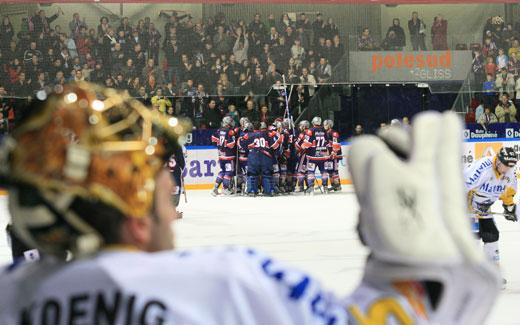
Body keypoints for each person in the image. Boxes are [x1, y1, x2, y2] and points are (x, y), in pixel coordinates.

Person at [0, 86, 501, 323]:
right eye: (161, 193)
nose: (172, 209)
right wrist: (419, 272)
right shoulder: (225, 284)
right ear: (132, 217)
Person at [464, 147, 519, 286]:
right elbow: (463, 186)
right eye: (506, 165)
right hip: (467, 206)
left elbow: (508, 192)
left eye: (511, 166)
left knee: (492, 235)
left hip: (484, 208)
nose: (508, 169)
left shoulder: (510, 173)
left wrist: (509, 206)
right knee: (473, 238)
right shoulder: (483, 168)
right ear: (498, 161)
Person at [243, 121, 279, 196]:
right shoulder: (268, 134)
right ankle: (270, 190)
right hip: (266, 157)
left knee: (252, 175)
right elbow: (275, 146)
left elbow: (243, 147)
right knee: (267, 174)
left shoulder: (248, 135)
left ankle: (252, 191)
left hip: (253, 157)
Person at [301, 116, 330, 195]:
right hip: (323, 156)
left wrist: (302, 147)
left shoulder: (310, 130)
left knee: (311, 172)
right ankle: (325, 188)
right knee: (324, 172)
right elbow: (328, 143)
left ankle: (311, 188)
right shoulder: (324, 130)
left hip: (312, 156)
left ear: (313, 122)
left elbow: (307, 143)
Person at [210, 116, 236, 195]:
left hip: (221, 155)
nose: (232, 123)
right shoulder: (230, 131)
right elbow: (231, 144)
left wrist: (220, 146)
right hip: (229, 156)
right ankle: (225, 188)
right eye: (231, 121)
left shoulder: (218, 130)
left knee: (222, 171)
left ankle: (215, 188)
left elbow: (213, 139)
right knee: (228, 172)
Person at [323, 119, 342, 192]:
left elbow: (336, 145)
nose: (324, 126)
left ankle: (337, 185)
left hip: (335, 155)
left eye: (326, 124)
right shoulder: (326, 133)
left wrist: (334, 152)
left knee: (334, 170)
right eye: (324, 124)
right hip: (330, 155)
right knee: (330, 170)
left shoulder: (334, 133)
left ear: (329, 125)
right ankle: (333, 185)